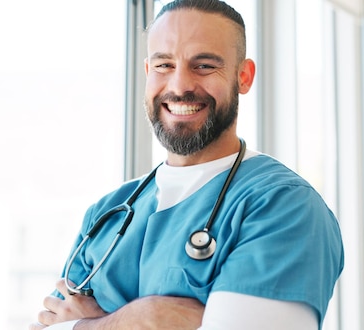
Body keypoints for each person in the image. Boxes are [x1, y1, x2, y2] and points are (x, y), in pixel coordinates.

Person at [30, 0, 344, 329]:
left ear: (244, 77)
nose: (180, 86)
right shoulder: (106, 214)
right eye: (164, 65)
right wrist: (145, 318)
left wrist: (93, 322)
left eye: (204, 66)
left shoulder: (283, 207)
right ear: (148, 72)